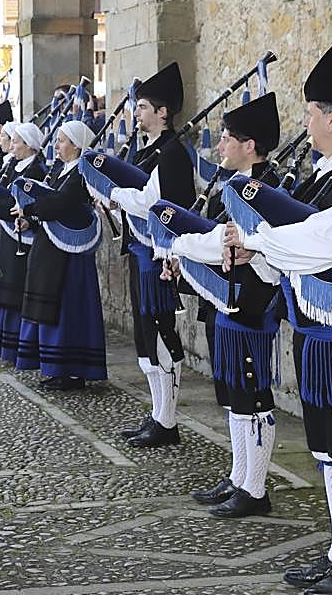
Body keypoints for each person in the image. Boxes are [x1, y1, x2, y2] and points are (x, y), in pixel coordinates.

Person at [223, 37, 332, 595]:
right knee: (325, 447)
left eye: (311, 111)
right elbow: (299, 240)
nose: (305, 121)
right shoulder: (327, 174)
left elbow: (322, 241)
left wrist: (257, 240)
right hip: (315, 329)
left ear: (330, 117)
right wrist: (259, 249)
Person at [166, 93, 283, 518]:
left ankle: (256, 489)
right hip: (224, 299)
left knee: (253, 392)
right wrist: (183, 256)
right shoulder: (228, 185)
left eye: (228, 139)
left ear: (249, 145)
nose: (220, 147)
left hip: (253, 303)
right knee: (233, 393)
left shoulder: (267, 189)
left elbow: (242, 241)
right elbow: (215, 236)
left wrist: (183, 243)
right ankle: (239, 476)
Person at [111, 63, 196, 448]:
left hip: (158, 257)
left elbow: (151, 203)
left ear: (163, 112)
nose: (137, 112)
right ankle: (158, 414)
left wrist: (113, 193)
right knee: (146, 337)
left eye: (143, 106)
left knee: (161, 332)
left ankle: (167, 419)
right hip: (139, 251)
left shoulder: (172, 152)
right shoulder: (148, 150)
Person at [13, 120, 107, 389]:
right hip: (51, 247)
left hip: (71, 252)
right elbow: (45, 202)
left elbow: (61, 203)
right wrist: (29, 221)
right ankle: (55, 367)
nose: (56, 145)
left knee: (69, 310)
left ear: (77, 146)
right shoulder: (58, 170)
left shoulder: (81, 173)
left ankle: (72, 370)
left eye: (62, 140)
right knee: (52, 305)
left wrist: (29, 211)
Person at [0, 121, 47, 364]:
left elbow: (23, 204)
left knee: (16, 288)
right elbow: (3, 195)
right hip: (8, 235)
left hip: (23, 237)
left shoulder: (36, 171)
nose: (11, 146)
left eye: (16, 141)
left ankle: (19, 345)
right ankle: (5, 344)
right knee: (5, 286)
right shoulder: (13, 165)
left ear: (29, 146)